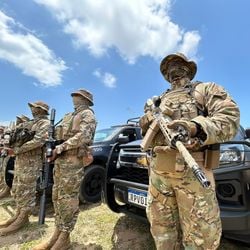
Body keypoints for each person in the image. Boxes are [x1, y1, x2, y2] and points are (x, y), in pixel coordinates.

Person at [139, 53, 240, 249]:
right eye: (169, 68)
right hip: (159, 174)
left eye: (178, 64)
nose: (173, 70)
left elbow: (229, 119)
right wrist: (145, 123)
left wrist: (195, 127)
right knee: (162, 233)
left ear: (189, 69)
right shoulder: (158, 101)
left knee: (201, 236)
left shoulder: (205, 89)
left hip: (194, 173)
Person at [33, 89, 96, 250]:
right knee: (57, 197)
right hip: (61, 162)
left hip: (73, 161)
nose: (73, 98)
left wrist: (61, 148)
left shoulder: (87, 114)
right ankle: (57, 233)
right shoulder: (69, 115)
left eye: (77, 95)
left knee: (68, 199)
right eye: (74, 95)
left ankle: (65, 237)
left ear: (84, 99)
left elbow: (84, 136)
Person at [0, 102, 49, 235]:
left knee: (27, 190)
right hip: (21, 161)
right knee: (18, 188)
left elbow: (38, 141)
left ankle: (23, 218)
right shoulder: (31, 123)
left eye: (34, 107)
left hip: (31, 162)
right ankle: (18, 215)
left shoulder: (44, 124)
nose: (31, 109)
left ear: (41, 110)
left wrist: (17, 150)